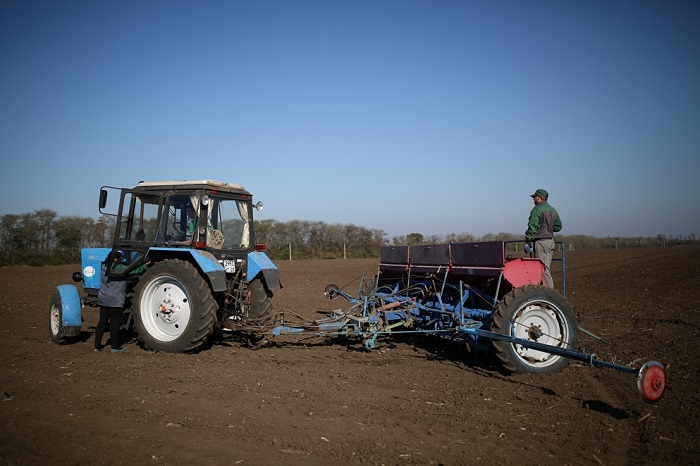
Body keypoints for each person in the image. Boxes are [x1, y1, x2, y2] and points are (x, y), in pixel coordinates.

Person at [94, 251, 147, 353]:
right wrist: (144, 266)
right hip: (115, 300)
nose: (121, 260)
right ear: (115, 259)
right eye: (119, 259)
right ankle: (114, 346)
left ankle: (97, 346)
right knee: (114, 323)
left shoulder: (104, 266)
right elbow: (133, 270)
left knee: (102, 322)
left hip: (103, 299)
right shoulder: (118, 268)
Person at [525, 189, 562, 288]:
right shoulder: (552, 209)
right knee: (546, 268)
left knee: (543, 270)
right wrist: (547, 228)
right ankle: (543, 294)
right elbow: (558, 226)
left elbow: (532, 226)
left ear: (539, 197)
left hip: (541, 243)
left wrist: (528, 240)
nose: (533, 200)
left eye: (534, 197)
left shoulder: (537, 209)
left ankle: (550, 297)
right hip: (550, 242)